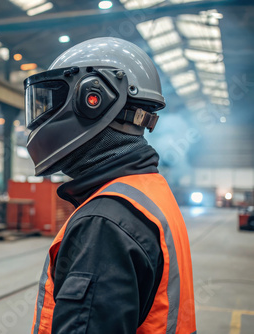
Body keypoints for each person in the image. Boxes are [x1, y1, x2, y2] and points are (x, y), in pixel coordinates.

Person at [25, 37, 196, 334]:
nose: (43, 116)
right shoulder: (148, 191)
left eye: (52, 100)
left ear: (93, 98)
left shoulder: (104, 223)